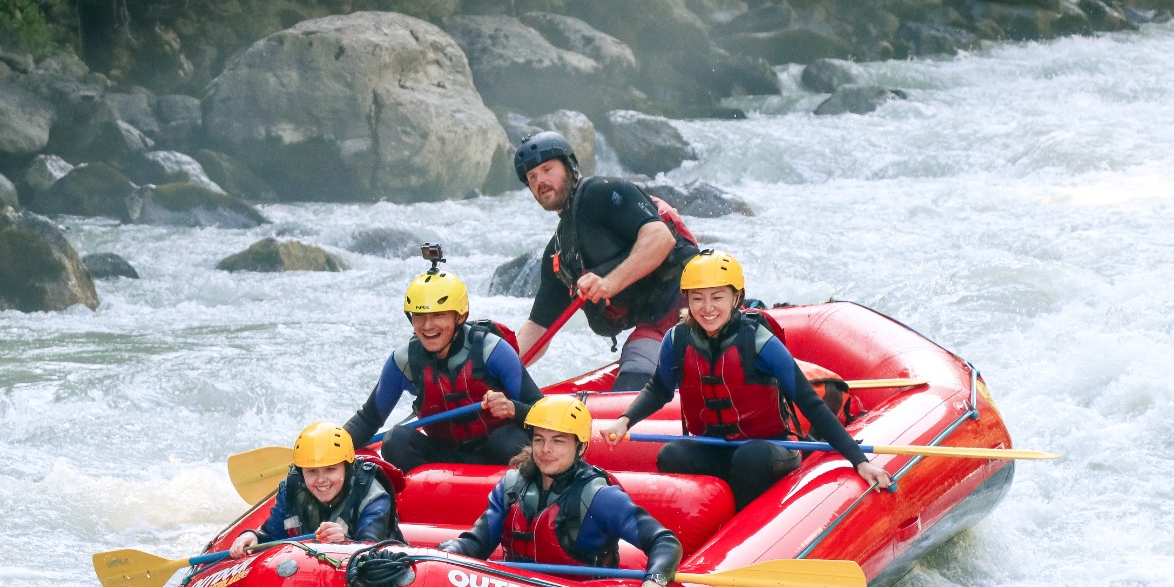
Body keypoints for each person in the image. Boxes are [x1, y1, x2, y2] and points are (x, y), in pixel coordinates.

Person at [597, 251, 893, 508]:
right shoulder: (677, 339)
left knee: (750, 458)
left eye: (717, 297)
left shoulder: (759, 341)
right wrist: (625, 420)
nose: (707, 307)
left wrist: (859, 460)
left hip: (770, 449)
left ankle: (746, 521)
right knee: (673, 455)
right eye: (697, 298)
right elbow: (659, 389)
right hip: (713, 447)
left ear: (736, 297)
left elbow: (810, 402)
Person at [439, 395, 682, 587]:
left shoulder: (599, 497)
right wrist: (438, 556)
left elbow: (665, 541)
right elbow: (476, 543)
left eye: (558, 441)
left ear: (580, 447)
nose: (546, 450)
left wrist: (656, 580)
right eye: (539, 439)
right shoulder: (512, 487)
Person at [511, 131, 700, 392]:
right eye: (532, 177)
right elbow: (538, 328)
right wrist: (498, 373)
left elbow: (660, 237)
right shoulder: (559, 254)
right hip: (654, 321)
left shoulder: (604, 192)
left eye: (547, 169)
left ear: (569, 166)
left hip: (686, 302)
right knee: (637, 357)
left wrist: (609, 284)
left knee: (636, 367)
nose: (540, 180)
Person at [344, 268, 543, 473]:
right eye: (419, 316)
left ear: (460, 316)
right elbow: (368, 419)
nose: (427, 326)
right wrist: (328, 449)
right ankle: (430, 496)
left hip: (498, 452)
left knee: (509, 441)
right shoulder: (403, 361)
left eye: (438, 315)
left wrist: (513, 408)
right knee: (395, 440)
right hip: (444, 455)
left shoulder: (492, 350)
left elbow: (545, 412)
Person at [228, 422, 400, 555]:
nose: (320, 480)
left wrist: (345, 543)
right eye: (311, 471)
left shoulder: (372, 495)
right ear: (302, 473)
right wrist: (254, 537)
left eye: (330, 469)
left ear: (347, 469)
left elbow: (371, 548)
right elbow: (272, 535)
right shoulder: (291, 489)